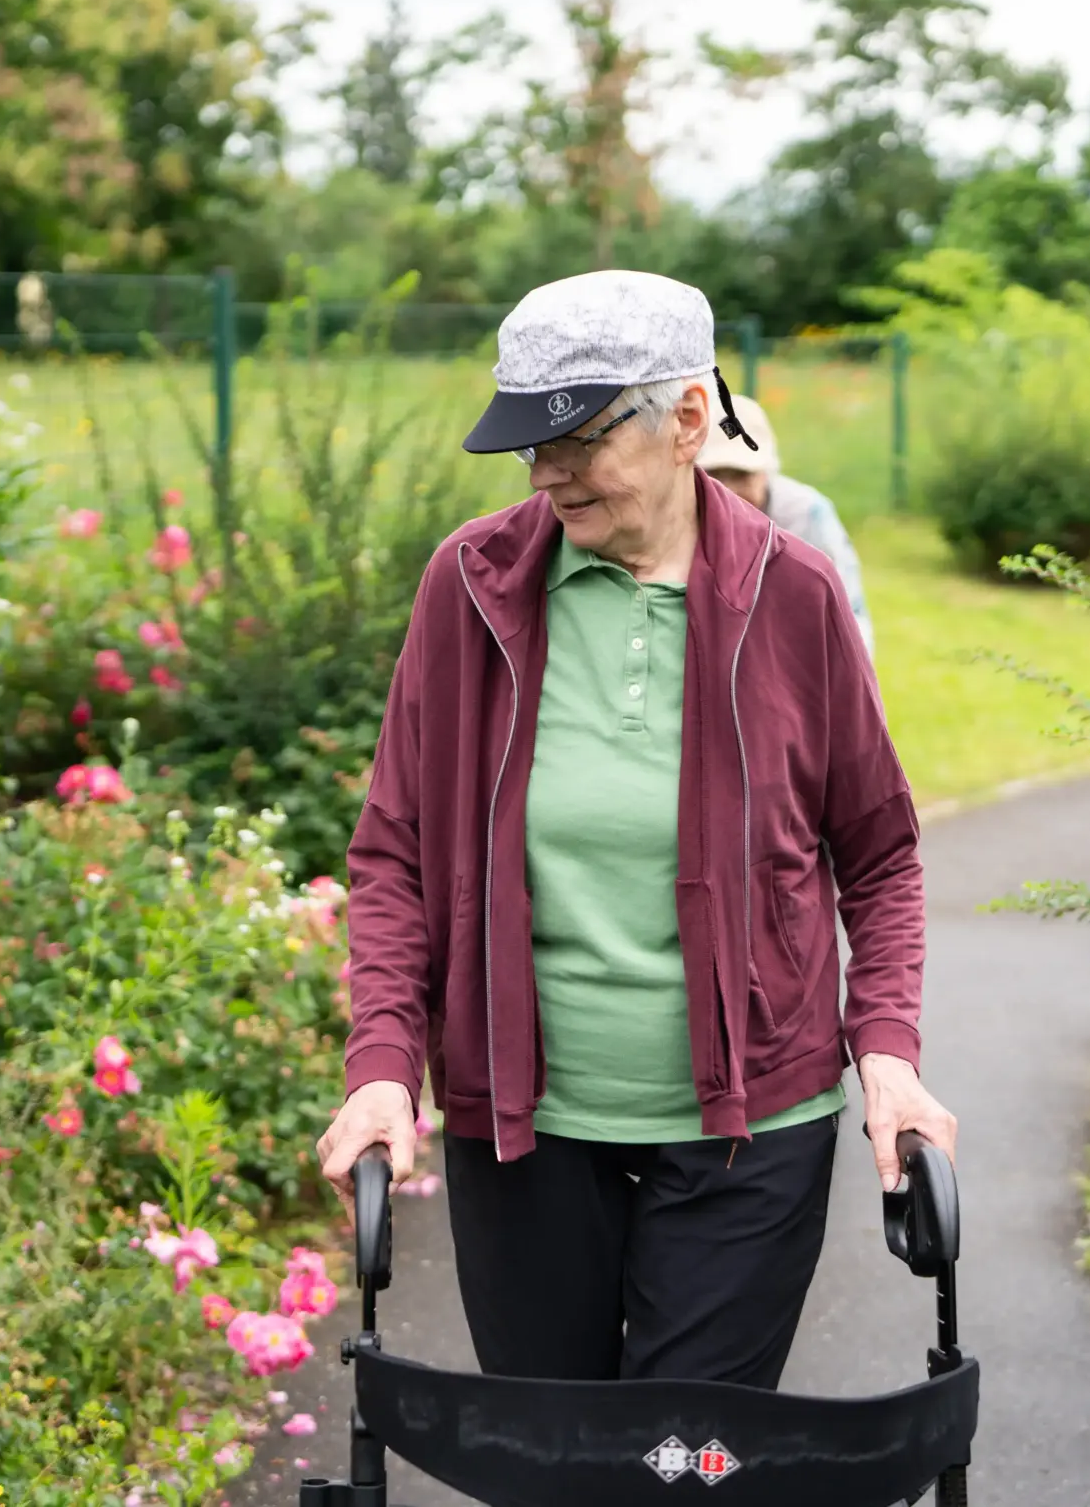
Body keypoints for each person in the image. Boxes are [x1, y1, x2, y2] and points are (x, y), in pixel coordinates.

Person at [315, 268, 954, 1391]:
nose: (548, 471)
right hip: (520, 1130)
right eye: (527, 442)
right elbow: (394, 854)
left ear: (688, 423)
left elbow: (880, 852)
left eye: (578, 437)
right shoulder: (470, 585)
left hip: (754, 1129)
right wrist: (382, 1066)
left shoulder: (794, 595)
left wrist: (888, 1056)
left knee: (686, 1463)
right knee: (553, 1457)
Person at [695, 395, 875, 658]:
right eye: (715, 475)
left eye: (741, 475)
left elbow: (848, 612)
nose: (728, 491)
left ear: (766, 471)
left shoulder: (807, 514)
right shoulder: (685, 518)